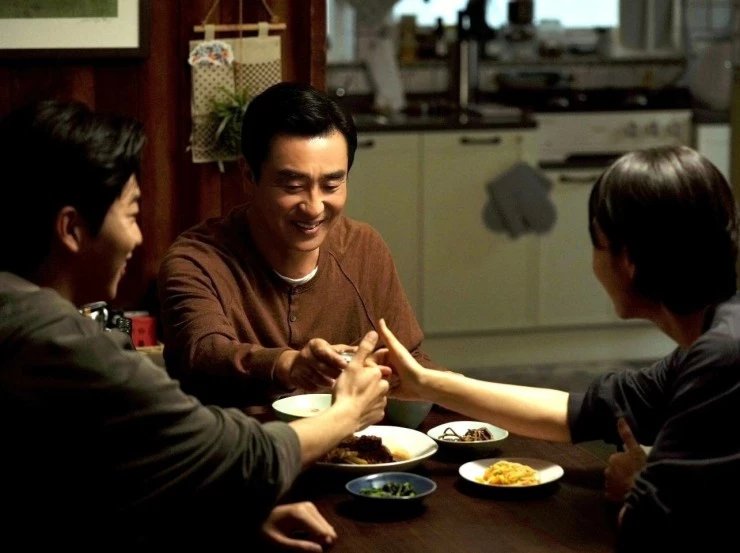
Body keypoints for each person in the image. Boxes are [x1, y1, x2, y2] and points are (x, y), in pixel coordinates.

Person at [0, 99, 389, 550]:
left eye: (332, 183)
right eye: (132, 214)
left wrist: (228, 521)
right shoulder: (62, 343)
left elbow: (85, 486)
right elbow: (237, 454)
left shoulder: (18, 307)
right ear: (71, 229)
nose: (138, 237)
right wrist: (346, 413)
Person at [373, 146, 740, 552]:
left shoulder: (722, 358)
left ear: (628, 260)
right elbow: (582, 413)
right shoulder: (712, 344)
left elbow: (652, 529)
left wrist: (637, 483)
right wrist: (426, 384)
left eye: (597, 244)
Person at [157, 81, 437, 407]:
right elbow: (204, 354)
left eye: (331, 185)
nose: (314, 207)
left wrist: (470, 399)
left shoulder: (364, 249)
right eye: (292, 186)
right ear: (249, 176)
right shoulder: (196, 261)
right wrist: (289, 365)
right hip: (239, 438)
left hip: (354, 437)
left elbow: (411, 363)